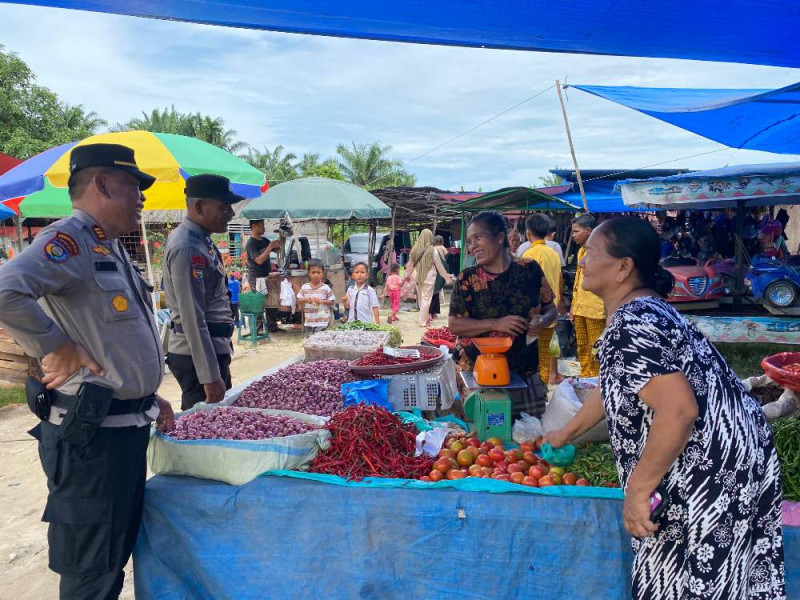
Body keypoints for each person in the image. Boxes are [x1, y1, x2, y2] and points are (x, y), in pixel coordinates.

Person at [544, 216, 785, 599]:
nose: (583, 260)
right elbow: (617, 383)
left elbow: (678, 411)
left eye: (591, 252)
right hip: (736, 455)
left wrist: (639, 490)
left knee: (689, 578)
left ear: (624, 267)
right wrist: (564, 433)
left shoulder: (631, 324)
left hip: (708, 469)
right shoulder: (646, 310)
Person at [0, 143, 175, 599]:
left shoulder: (108, 245)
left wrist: (143, 394)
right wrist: (55, 345)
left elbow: (108, 336)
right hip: (91, 442)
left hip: (120, 428)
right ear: (101, 184)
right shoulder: (69, 240)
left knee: (112, 558)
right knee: (92, 571)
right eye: (134, 186)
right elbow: (5, 291)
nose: (141, 198)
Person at [449, 211, 557, 418]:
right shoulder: (467, 279)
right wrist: (495, 323)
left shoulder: (529, 270)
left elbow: (551, 307)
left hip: (524, 369)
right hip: (478, 371)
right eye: (470, 242)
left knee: (529, 432)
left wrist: (542, 321)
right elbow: (455, 325)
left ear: (500, 238)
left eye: (478, 238)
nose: (473, 247)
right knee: (485, 436)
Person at [162, 174, 241, 410]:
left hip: (209, 350)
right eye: (223, 207)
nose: (231, 213)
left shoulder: (200, 240)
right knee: (203, 430)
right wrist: (209, 375)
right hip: (195, 357)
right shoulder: (187, 247)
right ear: (198, 206)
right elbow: (192, 318)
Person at [522, 214, 563, 384]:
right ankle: (545, 384)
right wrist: (560, 302)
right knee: (547, 353)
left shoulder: (529, 254)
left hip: (536, 315)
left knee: (535, 357)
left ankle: (540, 390)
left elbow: (526, 286)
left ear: (528, 234)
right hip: (551, 311)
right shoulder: (553, 253)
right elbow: (559, 278)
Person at [570, 213, 605, 377]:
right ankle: (586, 374)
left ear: (589, 230)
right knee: (582, 345)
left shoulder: (601, 251)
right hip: (580, 306)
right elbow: (578, 278)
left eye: (576, 231)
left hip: (595, 308)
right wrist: (573, 306)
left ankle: (597, 377)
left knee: (596, 346)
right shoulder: (581, 252)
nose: (573, 235)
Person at [404, 229, 453, 327]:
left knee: (422, 299)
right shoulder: (432, 249)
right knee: (426, 299)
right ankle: (422, 322)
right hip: (429, 277)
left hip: (418, 276)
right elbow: (439, 265)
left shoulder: (415, 248)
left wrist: (407, 276)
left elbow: (410, 264)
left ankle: (425, 319)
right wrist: (446, 276)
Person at [245, 219, 281, 332]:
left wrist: (278, 243)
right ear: (254, 226)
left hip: (267, 275)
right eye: (262, 225)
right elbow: (259, 260)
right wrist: (269, 248)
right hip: (255, 277)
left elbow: (277, 250)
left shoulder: (264, 240)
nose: (264, 227)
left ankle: (272, 326)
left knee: (271, 300)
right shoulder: (251, 243)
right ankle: (258, 329)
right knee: (258, 302)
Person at [296, 259, 335, 336]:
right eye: (313, 272)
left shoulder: (325, 288)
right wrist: (306, 300)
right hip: (308, 322)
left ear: (322, 274)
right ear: (309, 273)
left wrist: (322, 301)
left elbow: (332, 302)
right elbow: (299, 301)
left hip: (322, 321)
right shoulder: (304, 287)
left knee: (319, 342)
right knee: (309, 343)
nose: (316, 275)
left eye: (318, 272)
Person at [428, 235, 449, 320]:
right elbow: (447, 256)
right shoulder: (443, 248)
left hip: (434, 270)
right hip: (441, 270)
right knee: (437, 290)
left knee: (434, 291)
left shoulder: (433, 249)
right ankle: (434, 312)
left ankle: (431, 312)